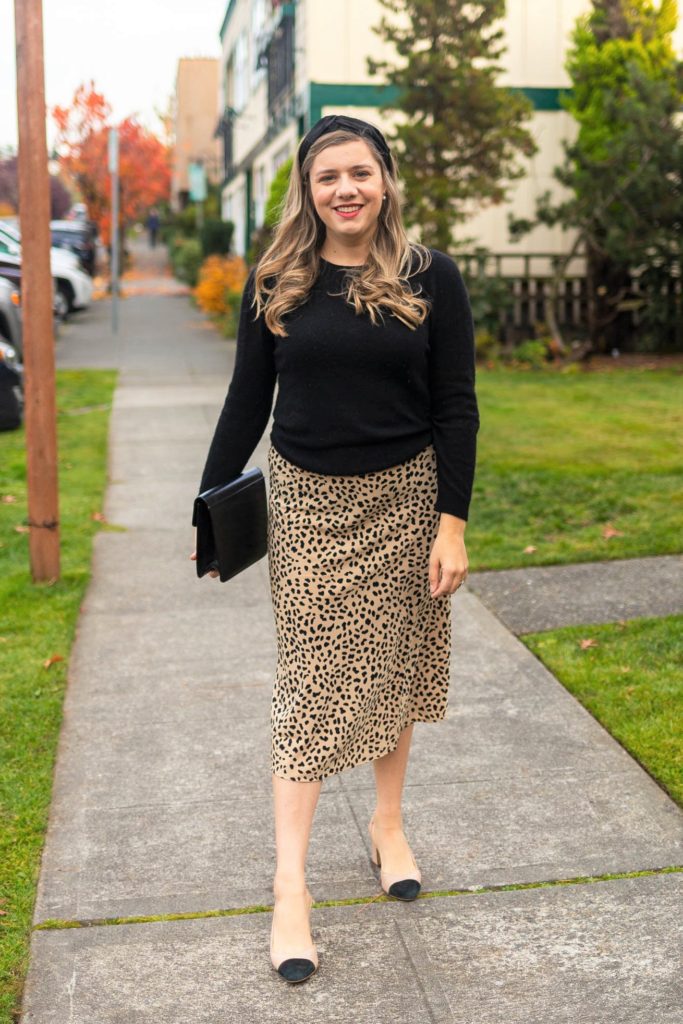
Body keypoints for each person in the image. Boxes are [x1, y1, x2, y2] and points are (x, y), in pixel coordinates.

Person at [189, 114, 480, 984]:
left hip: (408, 500)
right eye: (327, 178)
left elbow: (455, 406)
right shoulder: (278, 278)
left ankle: (387, 827)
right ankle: (290, 890)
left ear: (385, 180)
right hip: (310, 507)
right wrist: (207, 506)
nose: (345, 189)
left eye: (360, 172)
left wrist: (452, 523)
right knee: (312, 690)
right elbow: (248, 400)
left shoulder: (434, 277)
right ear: (307, 192)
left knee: (395, 667)